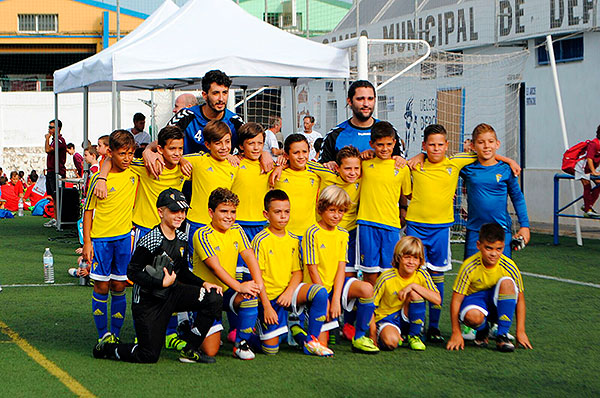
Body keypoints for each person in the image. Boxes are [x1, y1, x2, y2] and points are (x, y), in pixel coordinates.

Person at [406, 124, 518, 343]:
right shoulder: (414, 165)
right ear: (424, 146)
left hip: (440, 229)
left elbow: (486, 153)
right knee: (412, 274)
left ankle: (434, 327)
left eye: (440, 144)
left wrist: (509, 161)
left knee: (437, 277)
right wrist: (418, 156)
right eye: (431, 145)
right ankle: (411, 327)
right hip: (415, 227)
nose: (436, 149)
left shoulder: (455, 162)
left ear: (447, 146)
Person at [93, 188, 223, 364]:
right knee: (148, 355)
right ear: (161, 212)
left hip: (172, 293)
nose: (180, 215)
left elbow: (182, 271)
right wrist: (159, 282)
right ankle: (107, 348)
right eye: (174, 211)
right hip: (148, 302)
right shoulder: (151, 239)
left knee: (213, 297)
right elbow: (132, 272)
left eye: (183, 211)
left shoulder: (182, 237)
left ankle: (190, 349)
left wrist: (204, 283)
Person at [250, 190, 332, 356]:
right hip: (269, 298)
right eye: (277, 212)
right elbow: (257, 278)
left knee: (320, 292)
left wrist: (288, 293)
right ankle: (249, 333)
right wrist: (266, 306)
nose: (283, 216)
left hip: (290, 293)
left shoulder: (294, 239)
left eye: (286, 212)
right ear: (266, 214)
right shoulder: (260, 240)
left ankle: (311, 341)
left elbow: (297, 272)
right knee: (271, 349)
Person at [301, 185, 379, 354]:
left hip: (335, 286)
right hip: (316, 288)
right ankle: (300, 330)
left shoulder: (343, 233)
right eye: (332, 210)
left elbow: (340, 268)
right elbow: (312, 270)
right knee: (322, 345)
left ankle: (359, 338)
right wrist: (326, 300)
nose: (337, 215)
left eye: (341, 211)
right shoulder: (312, 232)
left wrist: (336, 298)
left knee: (367, 288)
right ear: (321, 209)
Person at [192, 188, 264, 360]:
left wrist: (258, 283)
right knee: (211, 351)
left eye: (232, 212)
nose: (229, 216)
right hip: (206, 296)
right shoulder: (202, 234)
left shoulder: (237, 229)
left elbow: (249, 256)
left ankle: (241, 343)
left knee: (250, 295)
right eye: (223, 211)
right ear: (211, 212)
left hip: (227, 292)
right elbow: (215, 268)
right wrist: (239, 286)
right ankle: (190, 324)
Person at [83, 130, 138, 345]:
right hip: (101, 241)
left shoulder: (135, 173)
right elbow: (87, 211)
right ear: (110, 153)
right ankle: (102, 334)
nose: (127, 158)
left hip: (124, 239)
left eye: (130, 153)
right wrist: (87, 242)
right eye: (122, 153)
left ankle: (115, 333)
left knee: (119, 285)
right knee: (101, 286)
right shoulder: (98, 180)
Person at [446, 223, 533, 352]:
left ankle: (502, 335)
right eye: (489, 248)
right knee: (472, 316)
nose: (493, 254)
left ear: (503, 247)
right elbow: (456, 300)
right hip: (475, 302)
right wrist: (456, 332)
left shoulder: (509, 266)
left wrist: (521, 331)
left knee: (508, 283)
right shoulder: (469, 266)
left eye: (498, 249)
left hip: (496, 303)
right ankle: (483, 329)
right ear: (478, 245)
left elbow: (520, 299)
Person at [460, 123, 530, 259]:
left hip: (501, 230)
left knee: (503, 276)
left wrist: (525, 225)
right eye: (481, 142)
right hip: (475, 230)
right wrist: (421, 156)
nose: (486, 146)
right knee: (471, 274)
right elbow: (443, 161)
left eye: (490, 142)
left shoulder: (506, 170)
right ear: (473, 146)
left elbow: (517, 197)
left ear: (497, 144)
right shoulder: (467, 169)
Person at [356, 122, 411, 286]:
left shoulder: (402, 167)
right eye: (380, 145)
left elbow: (408, 194)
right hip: (367, 224)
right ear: (372, 144)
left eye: (388, 144)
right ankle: (370, 309)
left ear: (395, 143)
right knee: (370, 275)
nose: (385, 149)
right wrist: (361, 155)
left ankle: (386, 310)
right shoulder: (364, 163)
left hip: (391, 226)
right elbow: (348, 168)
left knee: (389, 274)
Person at [182, 120, 239, 267]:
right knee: (193, 266)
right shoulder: (198, 161)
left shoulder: (234, 165)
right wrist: (181, 160)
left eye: (227, 142)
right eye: (218, 143)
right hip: (197, 223)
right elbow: (172, 157)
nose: (224, 147)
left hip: (221, 225)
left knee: (219, 265)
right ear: (208, 145)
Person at [372, 236, 440, 351]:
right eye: (407, 257)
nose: (411, 262)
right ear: (398, 258)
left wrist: (413, 286)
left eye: (415, 258)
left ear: (420, 261)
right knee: (390, 342)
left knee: (415, 294)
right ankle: (392, 335)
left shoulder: (421, 275)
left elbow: (437, 299)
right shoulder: (386, 277)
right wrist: (372, 335)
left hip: (407, 315)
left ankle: (414, 336)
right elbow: (370, 307)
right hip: (387, 319)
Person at [319, 80, 403, 167]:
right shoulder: (334, 135)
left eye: (370, 99)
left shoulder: (388, 131)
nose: (366, 104)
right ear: (350, 101)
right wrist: (327, 165)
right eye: (360, 99)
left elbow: (400, 164)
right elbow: (320, 170)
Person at [167, 70, 244, 155]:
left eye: (225, 93)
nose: (221, 99)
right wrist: (149, 150)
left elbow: (253, 145)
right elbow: (161, 143)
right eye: (216, 93)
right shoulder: (185, 116)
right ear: (205, 95)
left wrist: (261, 154)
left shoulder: (235, 121)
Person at [272, 134, 320, 238]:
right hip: (283, 235)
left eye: (304, 152)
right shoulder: (278, 174)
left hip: (309, 235)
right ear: (286, 155)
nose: (301, 156)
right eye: (296, 153)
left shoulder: (316, 175)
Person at [44, 119, 67, 227]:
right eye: (49, 127)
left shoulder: (60, 141)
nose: (49, 129)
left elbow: (48, 150)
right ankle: (55, 217)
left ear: (58, 128)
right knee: (53, 195)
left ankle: (58, 218)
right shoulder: (55, 140)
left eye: (51, 127)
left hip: (57, 172)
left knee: (57, 195)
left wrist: (47, 139)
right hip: (51, 171)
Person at [574, 125, 600, 217]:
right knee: (587, 187)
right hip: (582, 167)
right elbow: (589, 158)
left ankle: (588, 205)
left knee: (599, 185)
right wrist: (593, 171)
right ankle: (587, 210)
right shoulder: (594, 143)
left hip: (591, 168)